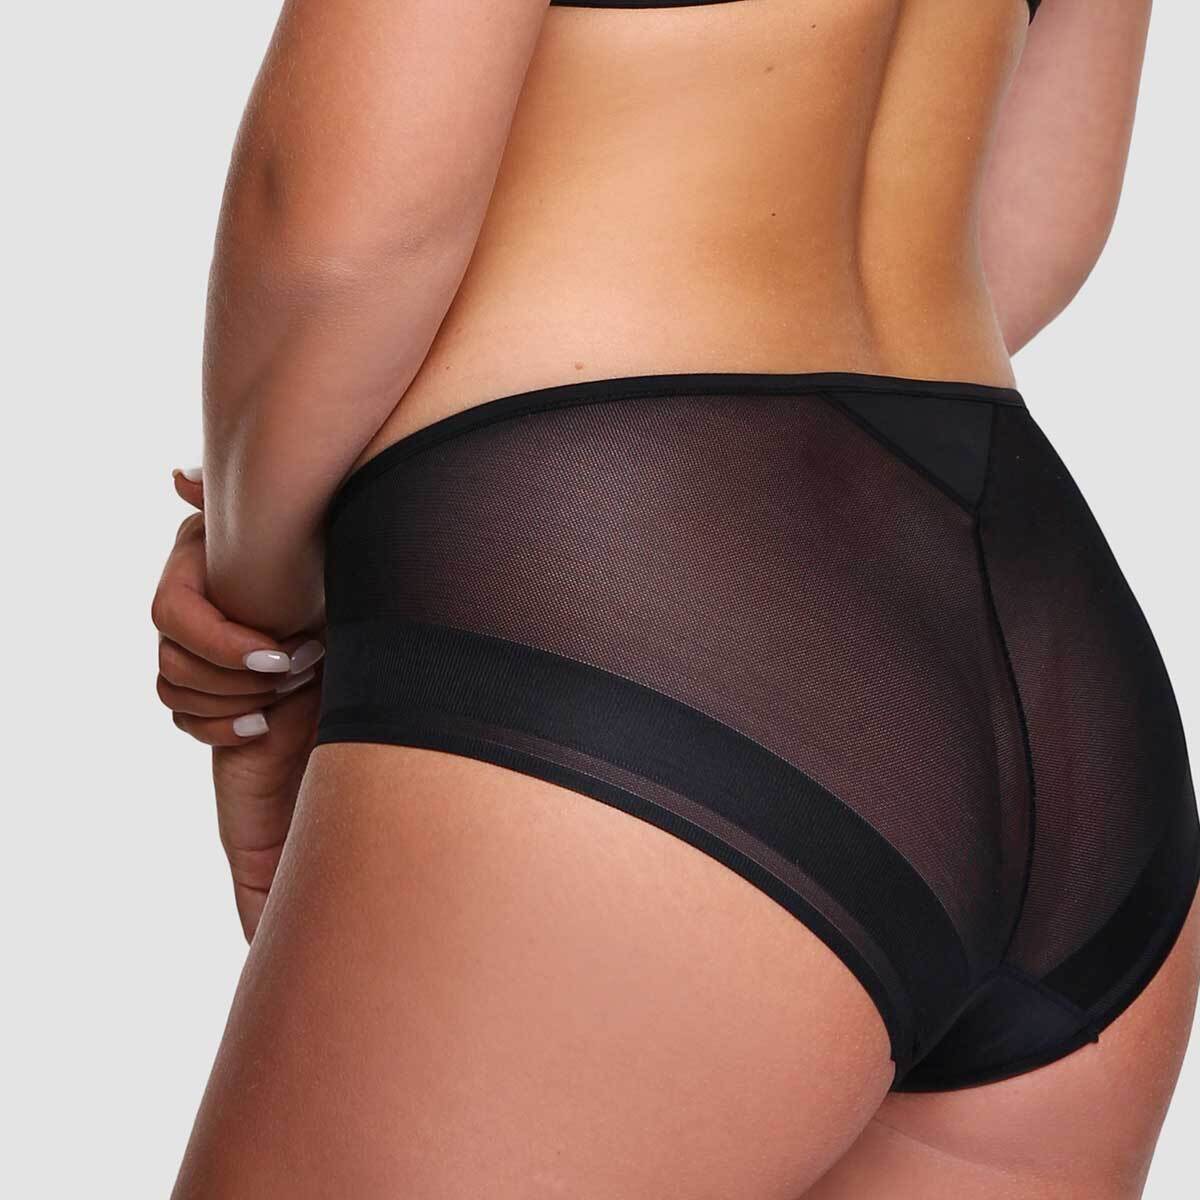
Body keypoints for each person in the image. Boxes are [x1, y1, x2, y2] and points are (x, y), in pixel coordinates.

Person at [153, 2, 1200, 1196]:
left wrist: (260, 608)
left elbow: (335, 229)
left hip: (624, 618)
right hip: (1055, 673)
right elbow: (1038, 221)